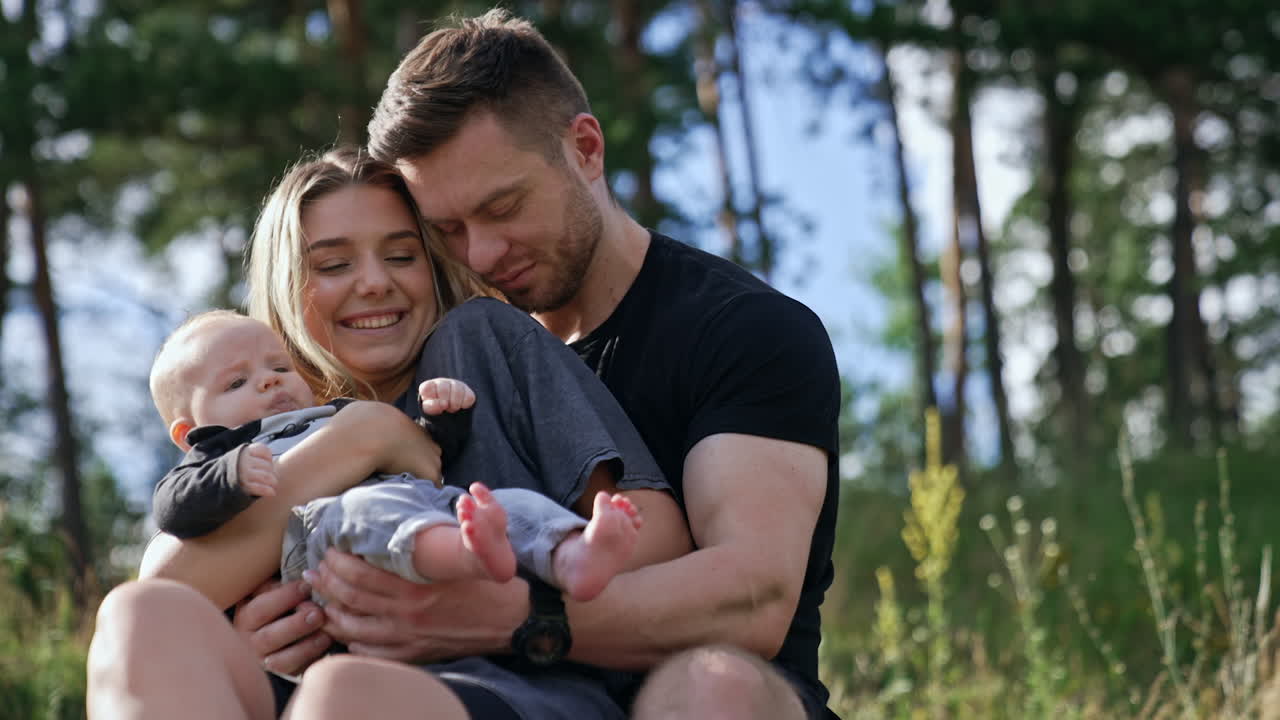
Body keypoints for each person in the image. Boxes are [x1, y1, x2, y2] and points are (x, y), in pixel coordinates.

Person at [289, 9, 843, 720]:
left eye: (503, 206)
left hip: (717, 694)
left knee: (709, 688)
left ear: (585, 149)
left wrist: (507, 618)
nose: (481, 254)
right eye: (448, 230)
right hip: (497, 699)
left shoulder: (741, 330)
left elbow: (753, 598)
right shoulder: (440, 351)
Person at [87, 147, 692, 720]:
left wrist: (501, 610)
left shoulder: (479, 344)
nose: (375, 282)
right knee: (137, 616)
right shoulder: (262, 428)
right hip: (301, 694)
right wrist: (365, 437)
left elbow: (658, 540)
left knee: (343, 694)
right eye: (333, 264)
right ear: (285, 283)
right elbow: (166, 586)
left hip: (499, 687)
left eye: (402, 256)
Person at [147, 309, 649, 607]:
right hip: (326, 534)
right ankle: (468, 555)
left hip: (422, 500)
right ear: (189, 432)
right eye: (237, 382)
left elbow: (425, 452)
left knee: (500, 503)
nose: (269, 379)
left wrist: (444, 417)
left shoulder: (334, 413)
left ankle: (570, 553)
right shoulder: (217, 452)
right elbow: (173, 509)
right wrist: (229, 476)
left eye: (279, 366)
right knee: (368, 512)